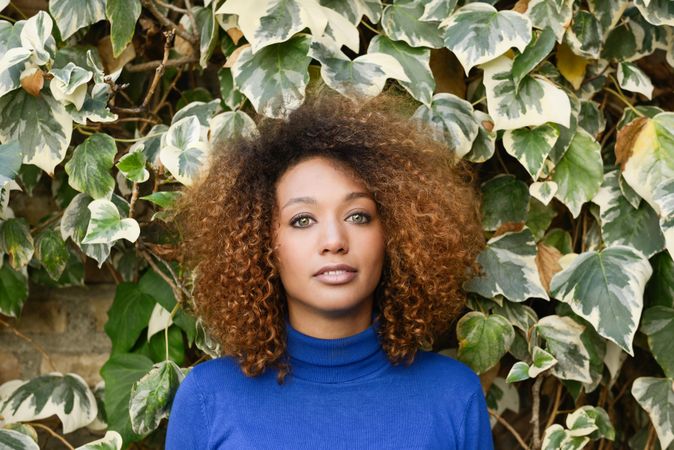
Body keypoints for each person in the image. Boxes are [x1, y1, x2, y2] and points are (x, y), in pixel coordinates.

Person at [166, 92, 493, 449]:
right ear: (261, 243)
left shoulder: (453, 396)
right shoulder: (207, 398)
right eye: (302, 220)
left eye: (358, 216)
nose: (334, 240)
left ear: (395, 234)